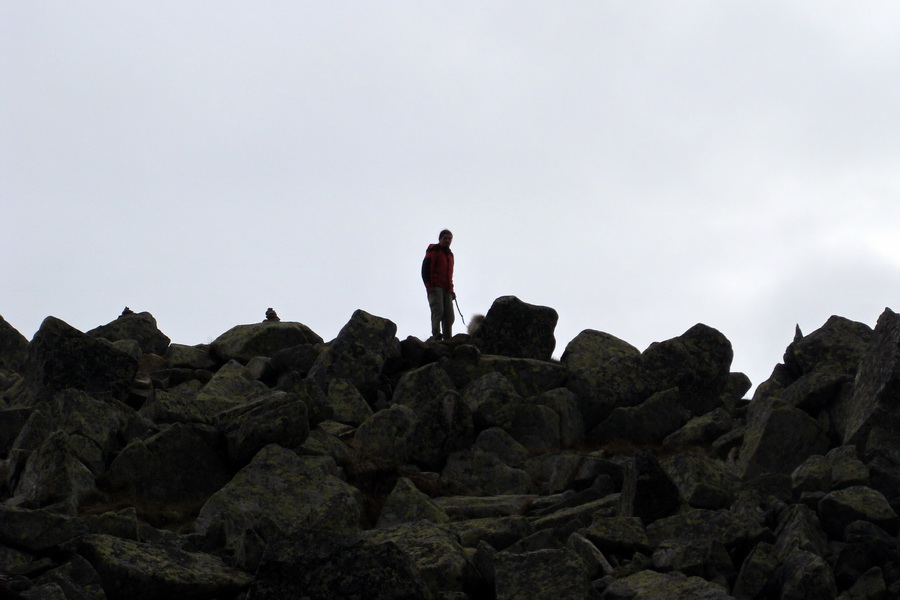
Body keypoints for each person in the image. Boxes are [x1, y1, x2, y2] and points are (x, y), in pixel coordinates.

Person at [421, 229, 455, 341]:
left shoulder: (450, 255)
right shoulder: (434, 249)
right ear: (440, 239)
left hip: (447, 288)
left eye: (449, 238)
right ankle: (436, 335)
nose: (447, 240)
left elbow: (449, 274)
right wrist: (428, 285)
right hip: (435, 286)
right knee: (438, 310)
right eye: (445, 238)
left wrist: (452, 290)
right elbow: (425, 267)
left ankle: (447, 339)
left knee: (449, 316)